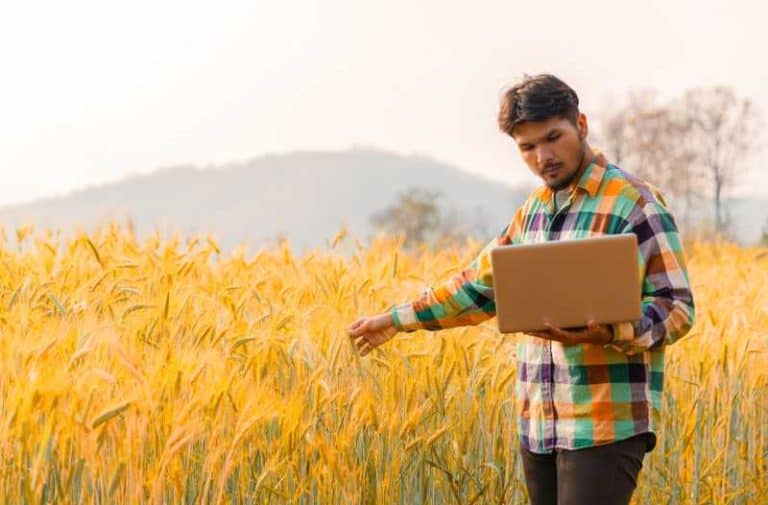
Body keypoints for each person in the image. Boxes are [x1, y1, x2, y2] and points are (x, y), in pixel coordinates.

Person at [346, 73, 695, 505]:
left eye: (553, 138)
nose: (543, 156)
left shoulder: (635, 203)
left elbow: (677, 306)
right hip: (539, 423)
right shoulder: (531, 213)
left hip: (607, 422)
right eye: (527, 147)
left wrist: (612, 331)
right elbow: (478, 288)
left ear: (580, 126)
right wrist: (395, 319)